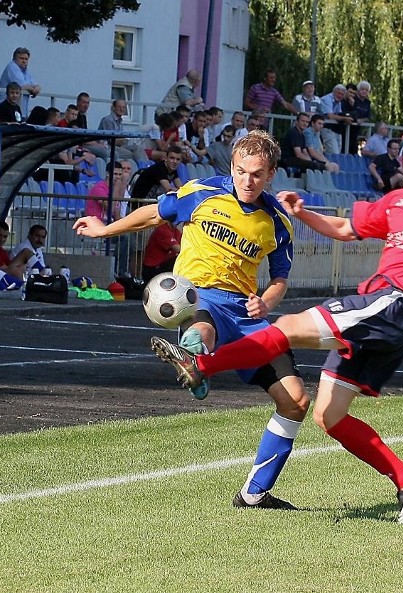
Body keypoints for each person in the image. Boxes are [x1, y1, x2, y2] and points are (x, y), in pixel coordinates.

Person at [148, 132, 403, 525]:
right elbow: (347, 230)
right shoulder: (399, 200)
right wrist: (304, 213)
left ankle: (204, 366)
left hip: (390, 303)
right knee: (329, 417)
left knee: (289, 326)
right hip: (384, 317)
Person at [73, 130, 310, 511]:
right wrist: (104, 228)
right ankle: (194, 357)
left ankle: (253, 494)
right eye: (240, 170)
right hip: (199, 296)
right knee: (202, 328)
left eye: (256, 174)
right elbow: (153, 213)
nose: (247, 180)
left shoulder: (277, 221)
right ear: (231, 166)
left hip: (245, 313)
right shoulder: (202, 192)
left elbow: (280, 278)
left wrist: (265, 302)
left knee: (296, 400)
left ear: (271, 174)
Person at [130, 145, 183, 210]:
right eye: (172, 158)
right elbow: (169, 190)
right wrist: (183, 191)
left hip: (149, 204)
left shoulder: (172, 170)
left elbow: (181, 188)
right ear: (166, 158)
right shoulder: (159, 168)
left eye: (178, 159)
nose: (175, 161)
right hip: (138, 204)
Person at [0, 47, 41, 114]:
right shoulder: (12, 67)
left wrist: (38, 87)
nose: (24, 61)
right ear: (14, 59)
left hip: (20, 110)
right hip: (5, 109)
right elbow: (21, 86)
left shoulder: (25, 71)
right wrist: (33, 89)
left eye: (26, 59)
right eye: (21, 58)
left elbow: (34, 85)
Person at [318, 84, 354, 154]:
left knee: (338, 153)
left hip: (334, 129)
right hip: (325, 127)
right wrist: (345, 118)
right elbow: (331, 116)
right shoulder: (327, 99)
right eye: (339, 93)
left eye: (342, 94)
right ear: (333, 92)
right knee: (334, 153)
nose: (340, 96)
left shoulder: (339, 102)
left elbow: (338, 114)